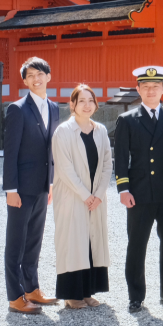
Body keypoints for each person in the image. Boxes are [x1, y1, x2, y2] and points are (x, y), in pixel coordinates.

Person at [115, 65, 163, 313]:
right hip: (140, 192)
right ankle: (136, 295)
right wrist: (123, 190)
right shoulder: (127, 120)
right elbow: (121, 157)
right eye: (145, 87)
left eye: (156, 87)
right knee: (137, 244)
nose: (151, 90)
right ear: (138, 89)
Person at [3, 57, 60, 314]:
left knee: (35, 241)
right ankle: (15, 296)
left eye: (40, 74)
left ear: (49, 76)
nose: (36, 79)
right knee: (16, 242)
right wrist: (10, 190)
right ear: (25, 81)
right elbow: (10, 152)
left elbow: (51, 150)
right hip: (21, 188)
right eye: (30, 76)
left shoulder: (55, 107)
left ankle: (32, 288)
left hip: (42, 187)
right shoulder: (17, 109)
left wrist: (51, 184)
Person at [51, 85, 112, 309]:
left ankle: (87, 291)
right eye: (81, 101)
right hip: (72, 196)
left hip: (96, 197)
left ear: (96, 105)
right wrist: (86, 195)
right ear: (72, 105)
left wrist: (98, 194)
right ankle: (71, 294)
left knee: (92, 241)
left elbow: (107, 164)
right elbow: (65, 169)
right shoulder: (64, 132)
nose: (87, 105)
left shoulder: (101, 131)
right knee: (72, 242)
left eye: (90, 100)